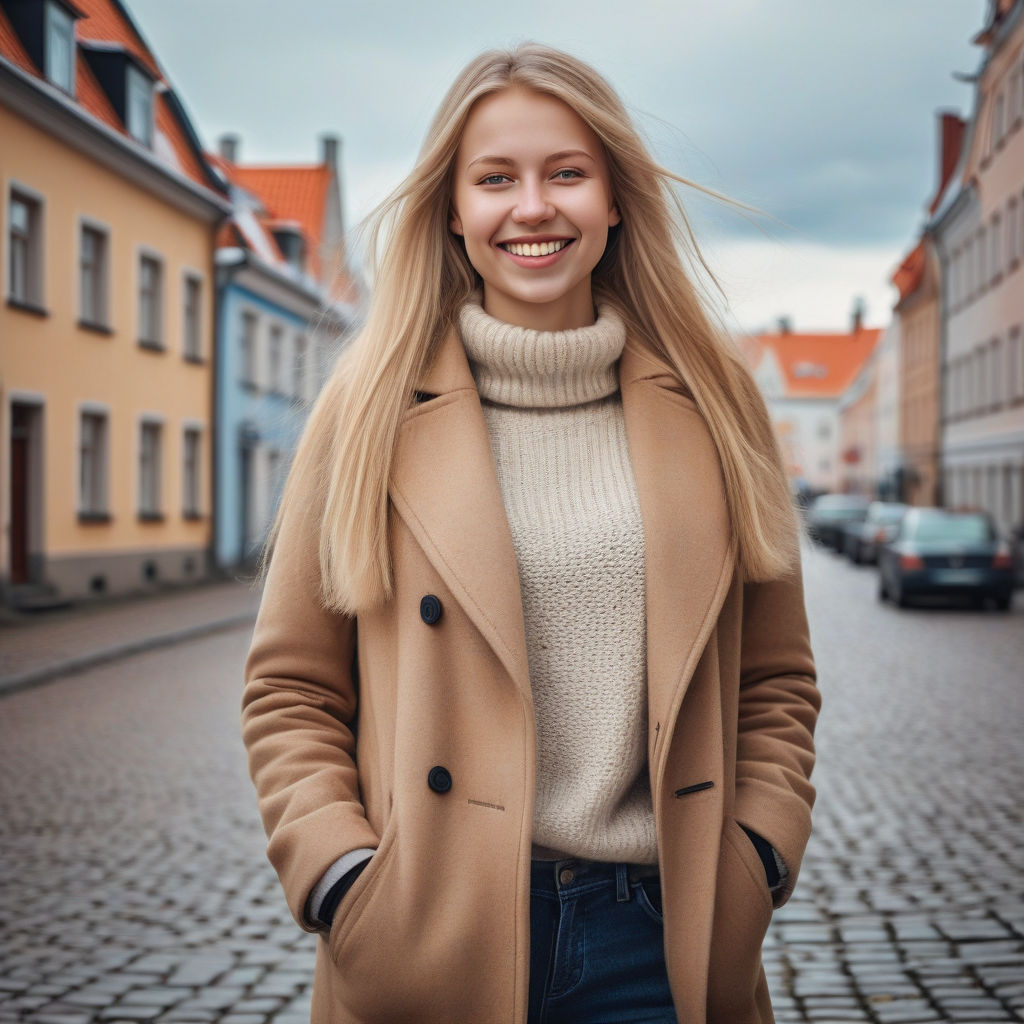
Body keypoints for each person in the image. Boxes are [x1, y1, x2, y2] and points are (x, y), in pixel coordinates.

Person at [242, 42, 820, 1024]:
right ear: (454, 210)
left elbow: (775, 679)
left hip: (663, 942)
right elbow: (291, 686)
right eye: (495, 178)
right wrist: (342, 878)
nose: (533, 207)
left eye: (566, 173)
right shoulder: (368, 407)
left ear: (615, 198)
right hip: (428, 941)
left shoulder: (716, 405)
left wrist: (756, 852)